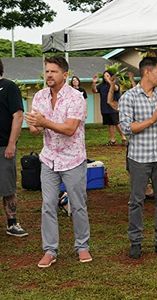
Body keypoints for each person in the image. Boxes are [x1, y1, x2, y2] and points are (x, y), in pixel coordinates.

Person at [25, 56, 92, 268]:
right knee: (47, 205)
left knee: (78, 205)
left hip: (73, 159)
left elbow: (70, 129)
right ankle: (50, 250)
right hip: (49, 159)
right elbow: (37, 130)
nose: (49, 75)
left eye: (53, 71)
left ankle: (82, 246)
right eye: (47, 71)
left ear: (65, 74)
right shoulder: (39, 97)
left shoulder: (76, 98)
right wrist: (35, 126)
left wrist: (44, 122)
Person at [119, 56, 157, 259]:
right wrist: (152, 118)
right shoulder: (129, 97)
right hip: (139, 157)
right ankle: (136, 242)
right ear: (147, 72)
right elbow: (128, 128)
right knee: (136, 201)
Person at [0, 58, 28, 238]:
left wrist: (11, 144)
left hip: (3, 147)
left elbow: (18, 116)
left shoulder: (9, 87)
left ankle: (12, 223)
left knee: (7, 186)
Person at [92, 70, 127, 146]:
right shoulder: (101, 85)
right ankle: (112, 140)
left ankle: (124, 137)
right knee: (110, 124)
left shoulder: (115, 84)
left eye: (107, 76)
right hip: (105, 108)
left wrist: (109, 81)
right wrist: (94, 83)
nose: (105, 77)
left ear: (111, 76)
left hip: (113, 107)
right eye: (104, 76)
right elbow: (94, 91)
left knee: (116, 123)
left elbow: (115, 89)